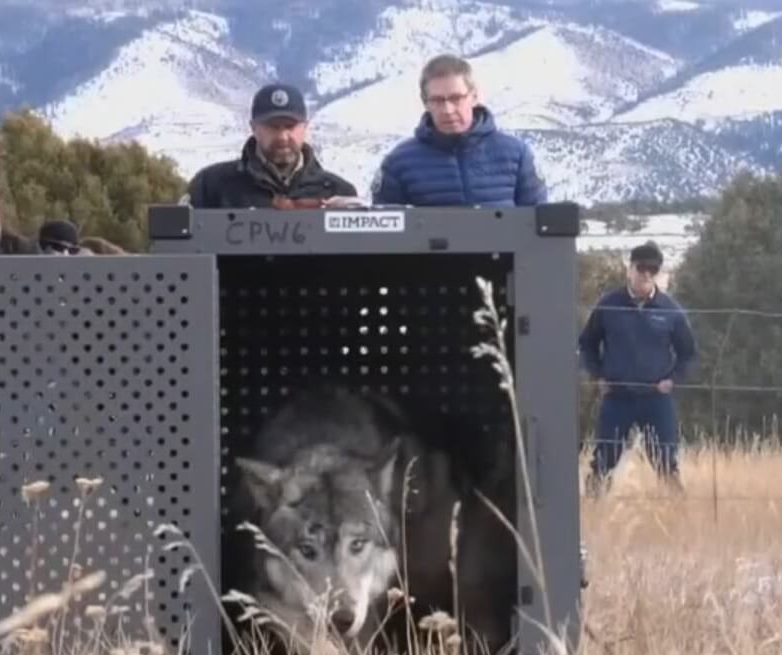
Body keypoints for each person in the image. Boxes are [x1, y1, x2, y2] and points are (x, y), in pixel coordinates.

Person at [578, 242, 696, 492]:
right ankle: (593, 507)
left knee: (666, 462)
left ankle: (679, 514)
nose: (646, 275)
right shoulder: (608, 305)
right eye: (641, 268)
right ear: (629, 269)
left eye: (653, 270)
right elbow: (587, 344)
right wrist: (598, 376)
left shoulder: (670, 310)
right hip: (617, 397)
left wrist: (673, 380)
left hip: (656, 398)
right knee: (603, 460)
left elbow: (688, 354)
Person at [370, 54, 547, 207]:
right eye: (438, 100)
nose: (448, 109)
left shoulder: (516, 155)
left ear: (474, 96)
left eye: (456, 98)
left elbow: (538, 223)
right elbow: (386, 234)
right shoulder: (399, 163)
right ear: (425, 102)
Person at [184, 83, 357, 209]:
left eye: (290, 126)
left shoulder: (337, 192)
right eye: (273, 127)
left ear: (305, 127)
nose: (282, 137)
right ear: (253, 128)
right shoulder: (211, 186)